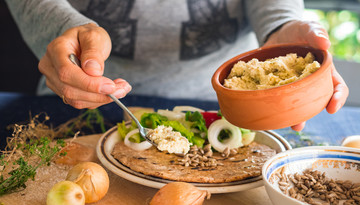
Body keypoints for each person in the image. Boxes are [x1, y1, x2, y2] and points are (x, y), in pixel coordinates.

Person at [5, 0, 348, 131]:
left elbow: (276, 8)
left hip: (225, 108)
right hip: (77, 95)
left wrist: (286, 27)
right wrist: (63, 28)